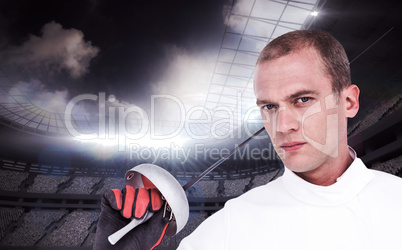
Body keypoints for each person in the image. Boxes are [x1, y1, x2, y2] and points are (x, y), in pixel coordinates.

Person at [94, 30, 402, 250]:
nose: (282, 125)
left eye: (303, 99)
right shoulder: (227, 229)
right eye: (269, 106)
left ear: (348, 102)